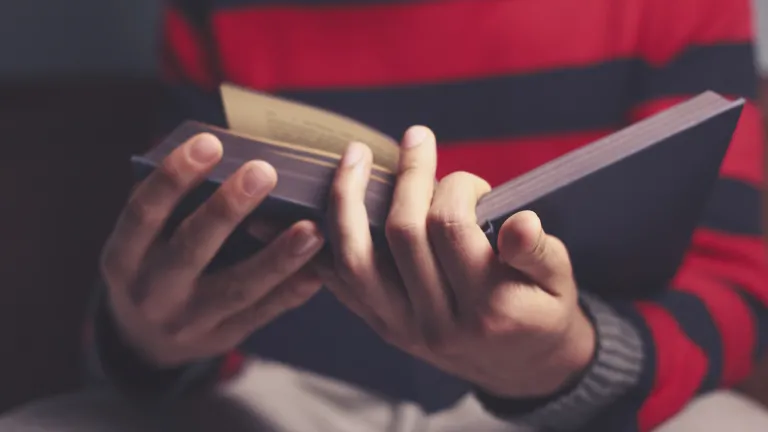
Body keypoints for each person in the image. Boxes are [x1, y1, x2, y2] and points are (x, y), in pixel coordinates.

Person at [1, 0, 766, 431]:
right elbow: (191, 251)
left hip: (585, 409)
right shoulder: (216, 11)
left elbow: (742, 286)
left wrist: (575, 362)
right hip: (284, 393)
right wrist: (141, 341)